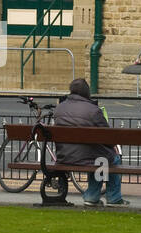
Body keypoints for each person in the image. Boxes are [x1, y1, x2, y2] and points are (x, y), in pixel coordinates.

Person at [52, 78, 129, 208]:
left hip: (64, 156)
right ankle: (113, 198)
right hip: (88, 156)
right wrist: (113, 147)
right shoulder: (93, 110)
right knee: (110, 158)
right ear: (86, 92)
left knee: (99, 157)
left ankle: (92, 197)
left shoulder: (59, 108)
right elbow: (107, 136)